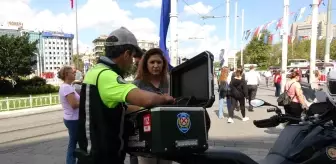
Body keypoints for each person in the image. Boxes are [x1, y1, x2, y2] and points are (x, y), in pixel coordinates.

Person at [76, 27, 175, 164]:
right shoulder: (106, 75)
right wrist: (164, 99)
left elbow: (119, 108)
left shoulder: (95, 71)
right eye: (134, 57)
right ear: (127, 54)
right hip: (102, 157)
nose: (133, 62)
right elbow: (145, 99)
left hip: (93, 153)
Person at [130, 48, 171, 164]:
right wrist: (144, 110)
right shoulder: (137, 84)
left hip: (167, 135)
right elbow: (127, 107)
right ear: (145, 64)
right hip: (145, 136)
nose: (156, 65)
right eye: (152, 62)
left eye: (159, 62)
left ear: (163, 64)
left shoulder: (170, 82)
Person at [58, 66, 80, 164]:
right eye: (72, 73)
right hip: (74, 120)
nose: (74, 74)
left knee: (73, 143)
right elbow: (74, 105)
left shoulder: (67, 86)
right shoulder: (67, 88)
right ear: (66, 75)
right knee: (75, 144)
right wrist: (86, 101)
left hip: (71, 119)